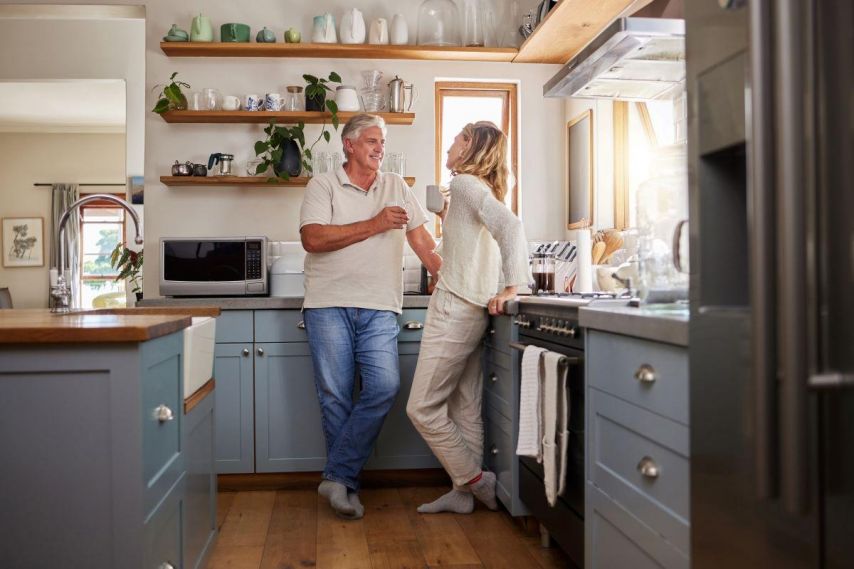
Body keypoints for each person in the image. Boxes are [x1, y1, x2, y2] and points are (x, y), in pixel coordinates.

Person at [299, 114, 441, 519]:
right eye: (372, 141)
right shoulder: (322, 185)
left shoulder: (396, 185)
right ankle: (346, 486)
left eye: (382, 142)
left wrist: (439, 271)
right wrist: (376, 223)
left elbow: (420, 237)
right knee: (336, 397)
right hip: (328, 303)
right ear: (349, 145)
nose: (380, 148)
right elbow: (313, 238)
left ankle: (336, 477)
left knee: (384, 387)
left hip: (380, 305)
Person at [406, 121, 529, 514]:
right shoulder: (473, 190)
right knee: (464, 405)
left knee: (421, 407)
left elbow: (511, 225)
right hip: (471, 307)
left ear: (471, 149)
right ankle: (462, 496)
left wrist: (514, 285)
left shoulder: (464, 184)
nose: (450, 144)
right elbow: (472, 245)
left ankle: (476, 480)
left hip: (455, 307)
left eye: (459, 138)